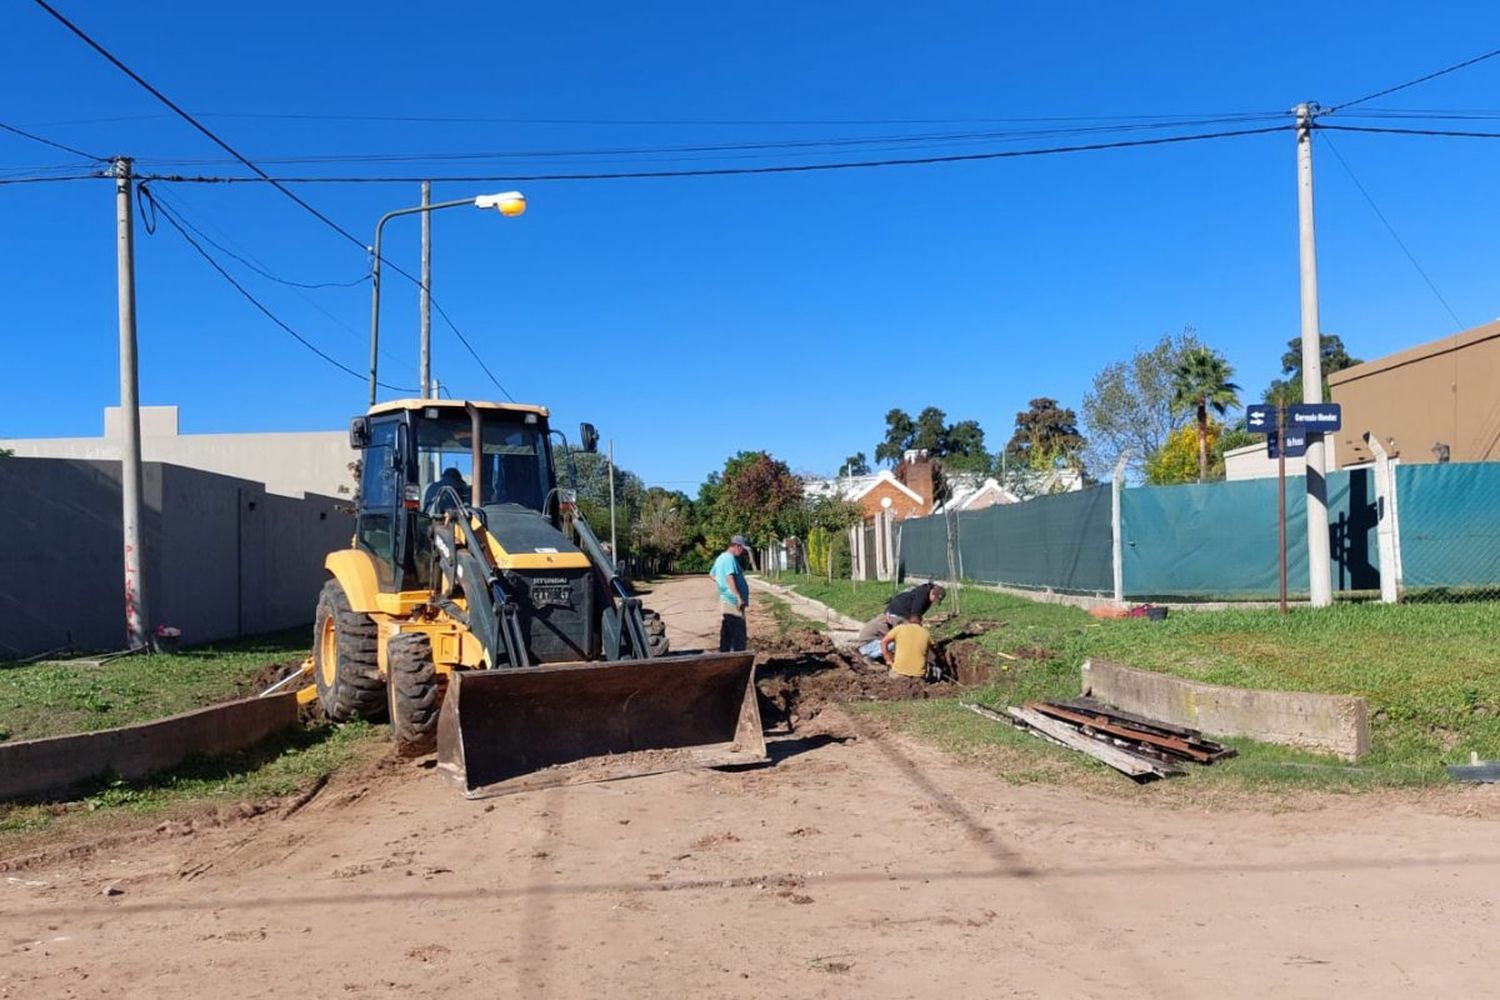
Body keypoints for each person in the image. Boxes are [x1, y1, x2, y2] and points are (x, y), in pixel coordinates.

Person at [856, 582, 946, 655]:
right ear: (933, 594)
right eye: (935, 600)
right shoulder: (922, 595)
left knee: (904, 638)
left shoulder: (925, 591)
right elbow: (915, 617)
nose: (934, 602)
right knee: (903, 640)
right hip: (865, 648)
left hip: (898, 612)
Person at [710, 534, 752, 652]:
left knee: (727, 635)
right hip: (733, 602)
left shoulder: (720, 558)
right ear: (737, 546)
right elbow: (730, 578)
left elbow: (712, 575)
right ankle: (739, 664)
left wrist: (722, 586)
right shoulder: (729, 559)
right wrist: (738, 597)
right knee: (739, 636)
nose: (743, 552)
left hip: (726, 600)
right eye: (743, 549)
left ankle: (724, 660)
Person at [881, 614, 933, 679]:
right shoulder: (926, 633)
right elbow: (932, 648)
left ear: (907, 621)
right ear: (921, 622)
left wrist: (888, 659)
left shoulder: (899, 629)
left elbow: (883, 642)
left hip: (899, 672)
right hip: (918, 675)